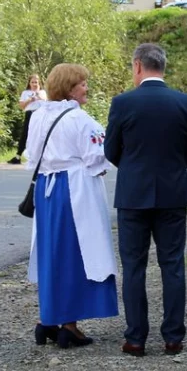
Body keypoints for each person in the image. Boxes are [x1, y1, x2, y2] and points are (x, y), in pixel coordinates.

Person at [104, 44, 187, 358]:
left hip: (133, 196)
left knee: (133, 267)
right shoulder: (185, 103)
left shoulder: (122, 103)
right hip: (173, 194)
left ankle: (136, 338)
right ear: (163, 67)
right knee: (172, 266)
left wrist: (133, 169)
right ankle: (173, 337)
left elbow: (111, 151)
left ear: (137, 67)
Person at [26, 63, 118, 350]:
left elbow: (31, 156)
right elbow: (97, 157)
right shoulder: (80, 119)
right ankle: (69, 325)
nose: (86, 88)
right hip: (74, 190)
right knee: (77, 253)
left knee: (51, 253)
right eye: (81, 84)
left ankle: (49, 319)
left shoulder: (39, 115)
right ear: (68, 88)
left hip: (46, 189)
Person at [8, 74, 47, 165]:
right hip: (29, 114)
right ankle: (18, 156)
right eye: (32, 82)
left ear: (39, 83)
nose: (34, 84)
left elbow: (46, 103)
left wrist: (38, 96)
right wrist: (30, 100)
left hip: (40, 114)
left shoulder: (43, 92)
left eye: (36, 82)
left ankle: (42, 156)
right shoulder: (25, 93)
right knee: (25, 134)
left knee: (41, 134)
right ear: (29, 83)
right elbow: (21, 106)